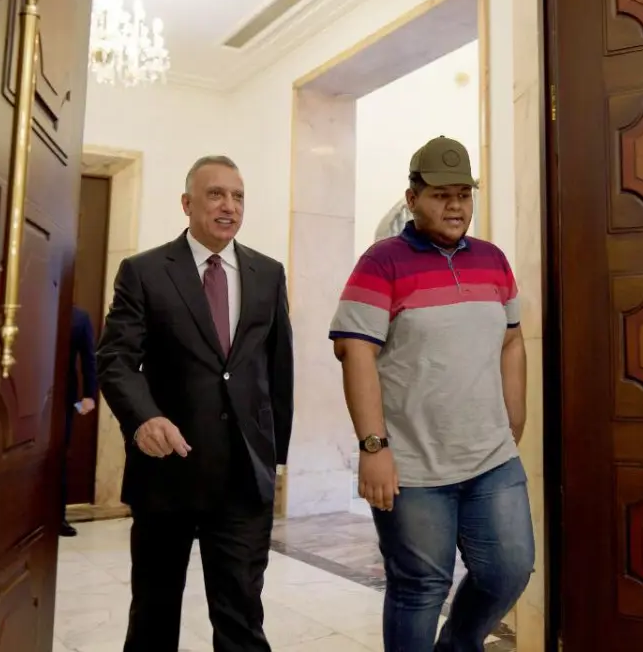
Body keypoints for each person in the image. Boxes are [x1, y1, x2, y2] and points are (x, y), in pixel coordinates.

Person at [330, 136, 534, 651]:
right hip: (413, 466)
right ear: (412, 198)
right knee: (420, 587)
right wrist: (373, 447)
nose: (456, 206)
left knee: (510, 568)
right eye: (442, 195)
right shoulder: (382, 262)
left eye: (463, 195)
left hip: (491, 458)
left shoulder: (493, 260)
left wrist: (515, 414)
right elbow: (355, 352)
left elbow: (512, 340)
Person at [97, 155, 294, 652]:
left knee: (242, 617)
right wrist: (144, 418)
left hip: (243, 478)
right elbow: (116, 359)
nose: (229, 206)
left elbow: (278, 370)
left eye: (238, 196)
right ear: (187, 203)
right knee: (154, 615)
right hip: (168, 471)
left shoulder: (268, 274)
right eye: (215, 194)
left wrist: (275, 458)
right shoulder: (144, 272)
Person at [60, 304, 98, 537]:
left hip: (64, 397)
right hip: (28, 393)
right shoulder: (34, 307)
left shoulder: (79, 317)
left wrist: (89, 395)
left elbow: (89, 359)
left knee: (60, 455)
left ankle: (58, 516)